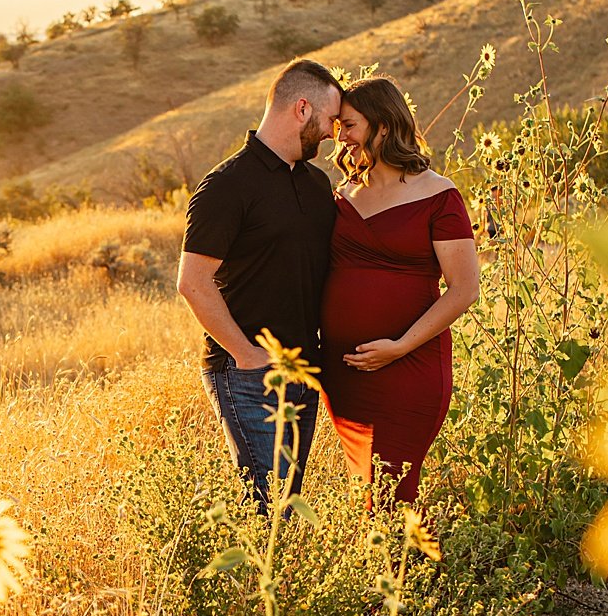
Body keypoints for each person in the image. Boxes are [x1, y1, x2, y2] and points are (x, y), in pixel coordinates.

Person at [176, 59, 344, 512]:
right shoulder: (227, 185)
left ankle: (281, 586)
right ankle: (254, 586)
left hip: (305, 370)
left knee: (285, 504)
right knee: (265, 508)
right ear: (302, 109)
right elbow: (192, 283)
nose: (333, 133)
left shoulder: (315, 184)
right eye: (330, 119)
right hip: (248, 373)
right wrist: (246, 354)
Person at [321, 75, 481, 504]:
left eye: (350, 125)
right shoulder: (340, 196)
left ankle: (410, 571)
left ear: (384, 125)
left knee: (395, 491)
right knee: (368, 492)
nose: (342, 138)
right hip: (345, 373)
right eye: (339, 127)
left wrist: (399, 346)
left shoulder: (439, 195)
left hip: (409, 367)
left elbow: (464, 289)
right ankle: (385, 572)